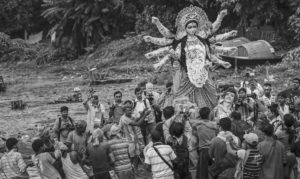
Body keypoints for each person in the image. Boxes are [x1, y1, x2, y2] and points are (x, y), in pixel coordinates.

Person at [144, 5, 233, 109]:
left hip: (203, 73)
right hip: (186, 74)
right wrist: (157, 25)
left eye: (194, 27)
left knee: (212, 94)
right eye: (189, 27)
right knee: (182, 98)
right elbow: (176, 54)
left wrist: (222, 62)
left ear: (197, 27)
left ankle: (206, 113)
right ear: (185, 28)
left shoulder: (203, 40)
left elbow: (208, 54)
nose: (192, 29)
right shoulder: (181, 42)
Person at [118, 100, 151, 171]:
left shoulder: (130, 115)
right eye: (128, 111)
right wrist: (145, 115)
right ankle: (131, 169)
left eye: (131, 110)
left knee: (137, 154)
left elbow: (137, 119)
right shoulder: (124, 118)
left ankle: (134, 169)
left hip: (134, 140)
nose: (130, 112)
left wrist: (143, 113)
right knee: (132, 157)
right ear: (124, 111)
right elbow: (138, 123)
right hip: (129, 141)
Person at [192, 107, 217, 179]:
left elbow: (194, 130)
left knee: (203, 172)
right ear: (209, 115)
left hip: (203, 150)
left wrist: (201, 122)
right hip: (213, 149)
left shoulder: (198, 125)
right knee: (214, 170)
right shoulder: (214, 125)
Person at [275, 114, 297, 179]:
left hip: (284, 157)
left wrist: (276, 126)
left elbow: (271, 138)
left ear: (284, 122)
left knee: (284, 176)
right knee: (289, 175)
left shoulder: (280, 133)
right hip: (292, 156)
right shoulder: (293, 131)